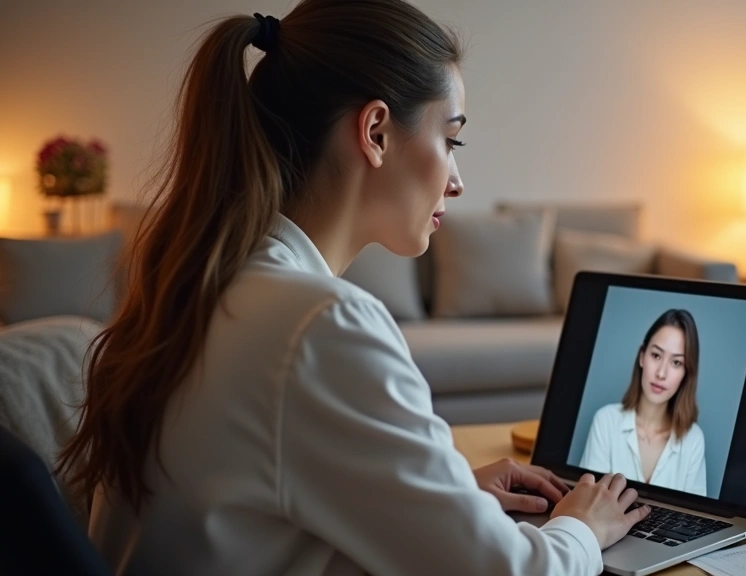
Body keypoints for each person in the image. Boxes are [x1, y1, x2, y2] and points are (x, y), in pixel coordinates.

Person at [54, 2, 649, 574]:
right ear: (375, 132)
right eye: (451, 140)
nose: (458, 181)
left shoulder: (204, 286)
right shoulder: (319, 324)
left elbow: (263, 498)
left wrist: (450, 499)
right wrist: (582, 527)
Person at [579, 309, 708, 496]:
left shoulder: (693, 439)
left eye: (676, 363)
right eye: (656, 355)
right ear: (642, 357)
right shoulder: (605, 421)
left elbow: (697, 518)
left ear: (686, 373)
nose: (661, 373)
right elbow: (586, 501)